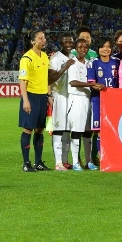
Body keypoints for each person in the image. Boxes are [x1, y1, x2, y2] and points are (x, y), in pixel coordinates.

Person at [18, 30, 72, 172]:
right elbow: (22, 81)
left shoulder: (44, 57)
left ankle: (38, 163)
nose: (44, 40)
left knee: (40, 130)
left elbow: (47, 79)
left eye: (44, 38)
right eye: (40, 38)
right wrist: (25, 101)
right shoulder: (26, 58)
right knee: (28, 129)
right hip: (31, 96)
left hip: (43, 97)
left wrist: (49, 96)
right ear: (32, 41)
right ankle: (26, 163)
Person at [67, 38, 105, 171]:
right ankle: (76, 162)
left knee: (88, 131)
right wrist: (92, 84)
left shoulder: (89, 63)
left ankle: (89, 161)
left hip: (89, 99)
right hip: (77, 99)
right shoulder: (72, 63)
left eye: (85, 47)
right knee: (76, 131)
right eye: (80, 47)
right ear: (76, 48)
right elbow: (73, 82)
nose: (82, 49)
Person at [87, 36, 120, 167]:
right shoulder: (93, 63)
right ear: (98, 49)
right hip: (98, 99)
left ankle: (114, 155)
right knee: (99, 129)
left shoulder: (117, 62)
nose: (105, 49)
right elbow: (91, 83)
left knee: (114, 128)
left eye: (108, 47)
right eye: (103, 47)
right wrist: (98, 87)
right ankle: (101, 157)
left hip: (114, 100)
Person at [49, 32, 77, 170]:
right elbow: (50, 79)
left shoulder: (74, 56)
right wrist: (65, 67)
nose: (68, 44)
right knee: (58, 129)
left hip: (72, 97)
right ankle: (58, 162)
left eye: (71, 42)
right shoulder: (55, 58)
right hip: (59, 96)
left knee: (67, 130)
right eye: (66, 42)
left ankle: (65, 161)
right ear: (61, 43)